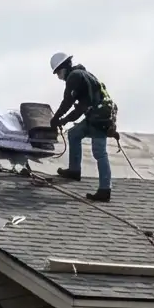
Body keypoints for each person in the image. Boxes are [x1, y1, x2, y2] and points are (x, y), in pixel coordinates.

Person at [47, 52, 117, 201]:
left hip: (99, 119)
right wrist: (64, 120)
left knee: (99, 153)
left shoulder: (74, 77)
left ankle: (105, 190)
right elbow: (80, 108)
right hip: (97, 116)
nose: (58, 76)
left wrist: (56, 118)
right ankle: (74, 170)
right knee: (74, 134)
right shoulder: (83, 75)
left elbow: (68, 102)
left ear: (64, 67)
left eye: (58, 72)